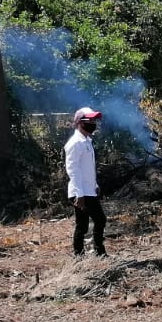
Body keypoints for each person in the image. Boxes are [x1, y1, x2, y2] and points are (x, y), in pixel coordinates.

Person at [64, 107, 107, 257]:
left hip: (88, 190)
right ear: (80, 122)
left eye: (95, 120)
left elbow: (87, 168)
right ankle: (89, 254)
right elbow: (73, 170)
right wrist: (79, 194)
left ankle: (89, 254)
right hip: (81, 192)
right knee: (92, 222)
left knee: (90, 223)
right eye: (91, 120)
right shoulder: (75, 143)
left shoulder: (86, 141)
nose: (94, 123)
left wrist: (95, 185)